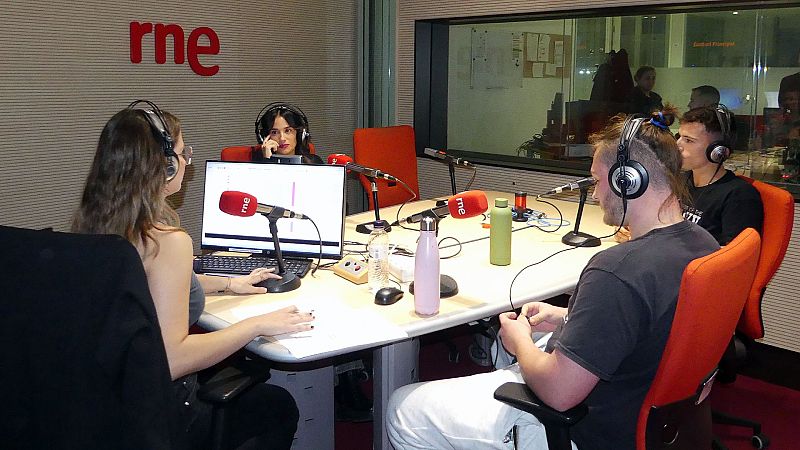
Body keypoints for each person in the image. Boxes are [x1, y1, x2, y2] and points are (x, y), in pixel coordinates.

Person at [386, 108, 720, 450]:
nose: (595, 194)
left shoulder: (617, 270)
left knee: (402, 408)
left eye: (597, 180)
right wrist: (568, 316)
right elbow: (659, 321)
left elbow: (559, 394)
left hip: (588, 430)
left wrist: (520, 342)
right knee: (520, 353)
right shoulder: (704, 244)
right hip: (655, 421)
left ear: (627, 181)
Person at [72, 101, 314, 450]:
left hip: (106, 408)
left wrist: (229, 283)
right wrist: (256, 325)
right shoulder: (167, 242)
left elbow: (145, 288)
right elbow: (173, 359)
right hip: (165, 418)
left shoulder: (94, 227)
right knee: (278, 406)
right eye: (184, 153)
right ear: (166, 166)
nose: (187, 161)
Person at [678, 106, 764, 245]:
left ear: (718, 150)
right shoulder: (681, 180)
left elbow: (738, 254)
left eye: (689, 140)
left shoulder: (739, 195)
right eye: (679, 137)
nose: (678, 145)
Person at [255, 102, 324, 164]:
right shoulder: (255, 167)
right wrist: (268, 161)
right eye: (274, 132)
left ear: (300, 134)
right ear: (265, 137)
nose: (282, 138)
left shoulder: (314, 163)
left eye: (287, 131)